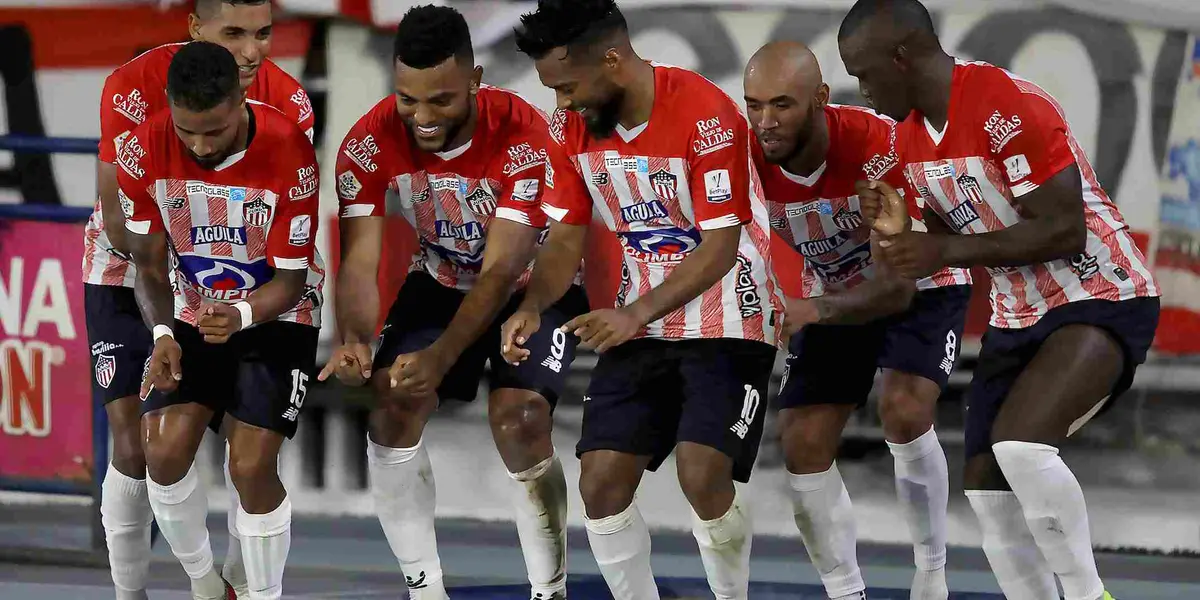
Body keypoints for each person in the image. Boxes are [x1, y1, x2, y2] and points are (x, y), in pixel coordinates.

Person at [838, 2, 1160, 599]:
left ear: (902, 57)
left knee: (1022, 446)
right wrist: (896, 237)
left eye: (864, 73)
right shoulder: (907, 141)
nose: (862, 91)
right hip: (1018, 319)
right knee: (989, 494)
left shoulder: (1006, 105)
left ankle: (1092, 597)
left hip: (1098, 293)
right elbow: (925, 244)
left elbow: (1065, 229)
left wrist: (941, 250)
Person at [507, 1, 782, 598]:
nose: (562, 104)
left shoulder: (707, 115)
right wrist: (533, 303)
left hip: (731, 315)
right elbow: (567, 234)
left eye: (568, 86)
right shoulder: (570, 129)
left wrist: (633, 313)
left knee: (701, 472)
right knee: (600, 483)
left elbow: (721, 247)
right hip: (639, 322)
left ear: (611, 60)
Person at [318, 6, 586, 599]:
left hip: (531, 287)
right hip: (438, 280)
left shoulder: (524, 136)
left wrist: (439, 358)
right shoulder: (367, 142)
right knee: (391, 403)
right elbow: (360, 260)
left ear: (476, 80)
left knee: (519, 419)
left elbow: (499, 275)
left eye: (440, 100)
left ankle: (550, 589)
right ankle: (426, 589)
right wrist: (357, 338)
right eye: (407, 100)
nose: (422, 118)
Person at [84, 0, 314, 596]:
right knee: (138, 444)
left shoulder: (288, 114)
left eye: (263, 34)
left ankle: (244, 581)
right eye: (235, 33)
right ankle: (181, 587)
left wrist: (237, 310)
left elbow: (286, 261)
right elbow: (130, 238)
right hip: (145, 266)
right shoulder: (132, 96)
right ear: (195, 28)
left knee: (250, 459)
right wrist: (167, 330)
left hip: (250, 281)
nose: (251, 51)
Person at [744, 41, 972, 600]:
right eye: (753, 106)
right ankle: (846, 593)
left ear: (821, 98)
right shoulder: (742, 156)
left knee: (903, 408)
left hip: (918, 284)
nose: (765, 123)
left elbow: (894, 290)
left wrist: (812, 309)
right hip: (834, 292)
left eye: (782, 105)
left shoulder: (878, 147)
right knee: (801, 443)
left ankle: (932, 574)